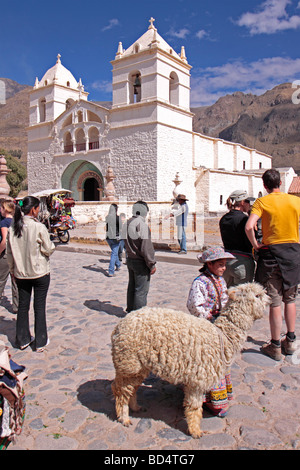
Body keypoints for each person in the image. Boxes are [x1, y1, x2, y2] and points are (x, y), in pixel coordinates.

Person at [245, 169, 300, 361]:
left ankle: (275, 344)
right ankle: (291, 340)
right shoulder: (295, 201)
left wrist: (255, 244)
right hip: (292, 253)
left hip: (270, 255)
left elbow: (249, 226)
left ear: (264, 185)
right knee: (290, 298)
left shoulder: (262, 202)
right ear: (281, 183)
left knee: (275, 301)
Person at [187, 247, 235, 417]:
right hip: (205, 326)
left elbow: (224, 299)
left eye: (224, 265)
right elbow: (194, 305)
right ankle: (206, 400)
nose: (223, 268)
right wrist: (207, 315)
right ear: (209, 264)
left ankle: (218, 398)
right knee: (207, 363)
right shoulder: (200, 282)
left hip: (218, 325)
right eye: (220, 265)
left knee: (220, 362)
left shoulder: (220, 281)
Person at [6, 196, 55, 352]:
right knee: (39, 307)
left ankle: (22, 339)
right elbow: (48, 249)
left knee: (22, 306)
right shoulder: (39, 227)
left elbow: (9, 253)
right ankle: (40, 341)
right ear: (33, 209)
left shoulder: (13, 228)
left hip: (21, 274)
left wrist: (12, 270)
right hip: (40, 272)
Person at [122, 201, 156, 313]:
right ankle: (138, 315)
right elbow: (146, 248)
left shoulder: (126, 223)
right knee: (141, 290)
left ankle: (130, 310)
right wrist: (151, 264)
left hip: (130, 259)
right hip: (140, 262)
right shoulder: (142, 225)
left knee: (132, 286)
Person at [219, 189, 255, 287]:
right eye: (248, 202)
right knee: (242, 297)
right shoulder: (244, 219)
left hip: (227, 260)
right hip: (242, 261)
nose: (249, 205)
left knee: (228, 294)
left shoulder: (224, 219)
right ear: (243, 202)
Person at [0, 200, 18, 312]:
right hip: (17, 254)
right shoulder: (17, 221)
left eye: (1, 208)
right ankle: (17, 306)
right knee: (15, 281)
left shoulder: (4, 222)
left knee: (1, 280)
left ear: (5, 209)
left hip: (6, 255)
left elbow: (5, 240)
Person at [105, 204, 121, 277]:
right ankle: (111, 271)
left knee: (115, 252)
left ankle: (118, 265)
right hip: (115, 238)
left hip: (108, 238)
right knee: (114, 254)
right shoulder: (117, 218)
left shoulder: (107, 217)